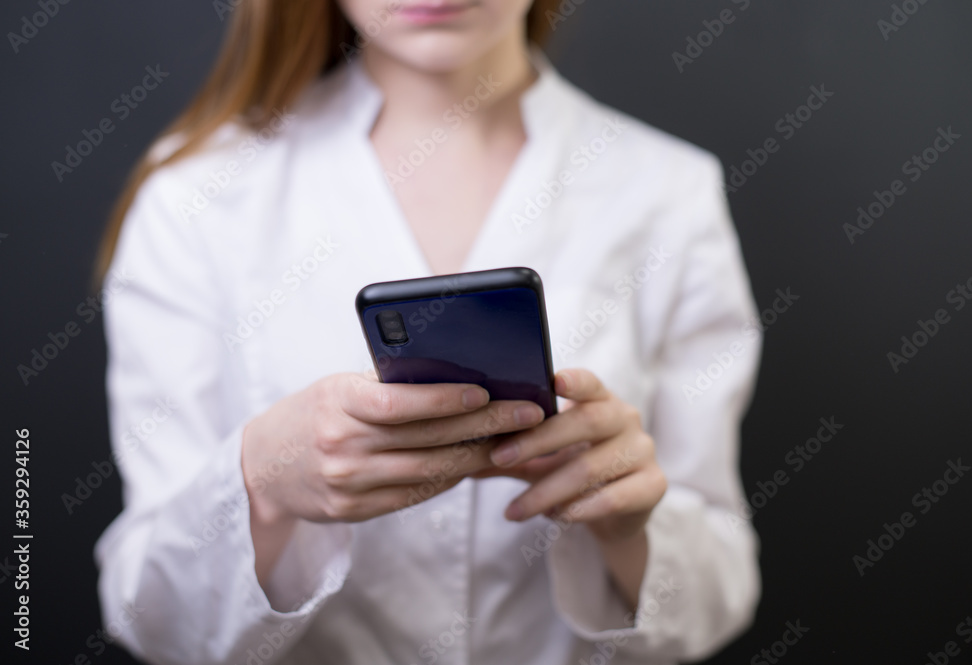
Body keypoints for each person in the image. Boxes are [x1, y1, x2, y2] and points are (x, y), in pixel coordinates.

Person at [94, 1, 763, 663]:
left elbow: (720, 595)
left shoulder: (670, 194)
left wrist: (629, 526)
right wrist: (261, 486)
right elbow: (147, 617)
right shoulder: (194, 199)